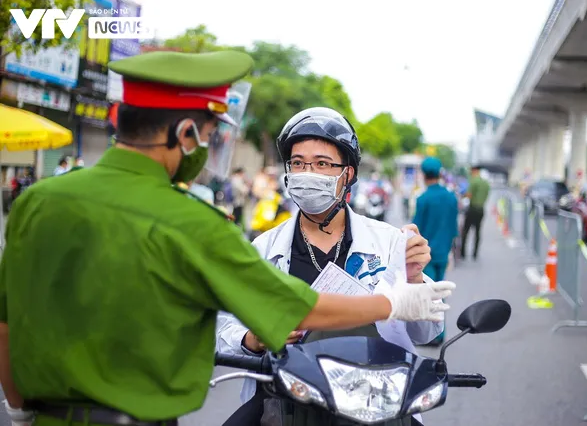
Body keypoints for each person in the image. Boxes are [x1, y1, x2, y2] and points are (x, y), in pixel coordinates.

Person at [0, 52, 454, 426]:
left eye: (323, 164)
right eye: (211, 136)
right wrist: (393, 303)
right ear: (185, 133)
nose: (309, 174)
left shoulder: (37, 202)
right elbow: (287, 308)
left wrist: (18, 411)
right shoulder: (196, 224)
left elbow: (7, 324)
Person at [217, 107, 455, 426]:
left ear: (349, 174)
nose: (307, 173)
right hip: (286, 397)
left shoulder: (388, 242)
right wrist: (251, 339)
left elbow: (427, 331)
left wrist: (412, 279)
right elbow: (223, 324)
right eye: (298, 163)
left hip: (375, 397)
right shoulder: (263, 249)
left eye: (322, 164)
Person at [412, 157, 459, 346]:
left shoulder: (423, 199)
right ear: (440, 174)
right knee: (440, 292)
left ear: (424, 175)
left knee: (428, 293)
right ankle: (439, 334)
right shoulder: (451, 197)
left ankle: (431, 336)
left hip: (425, 255)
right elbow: (454, 228)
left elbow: (415, 229)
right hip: (443, 251)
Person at [460, 164, 490, 260]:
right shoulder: (486, 183)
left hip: (472, 209)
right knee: (477, 231)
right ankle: (475, 254)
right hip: (481, 209)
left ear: (474, 171)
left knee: (466, 231)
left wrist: (462, 196)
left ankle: (463, 253)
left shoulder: (474, 181)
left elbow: (468, 195)